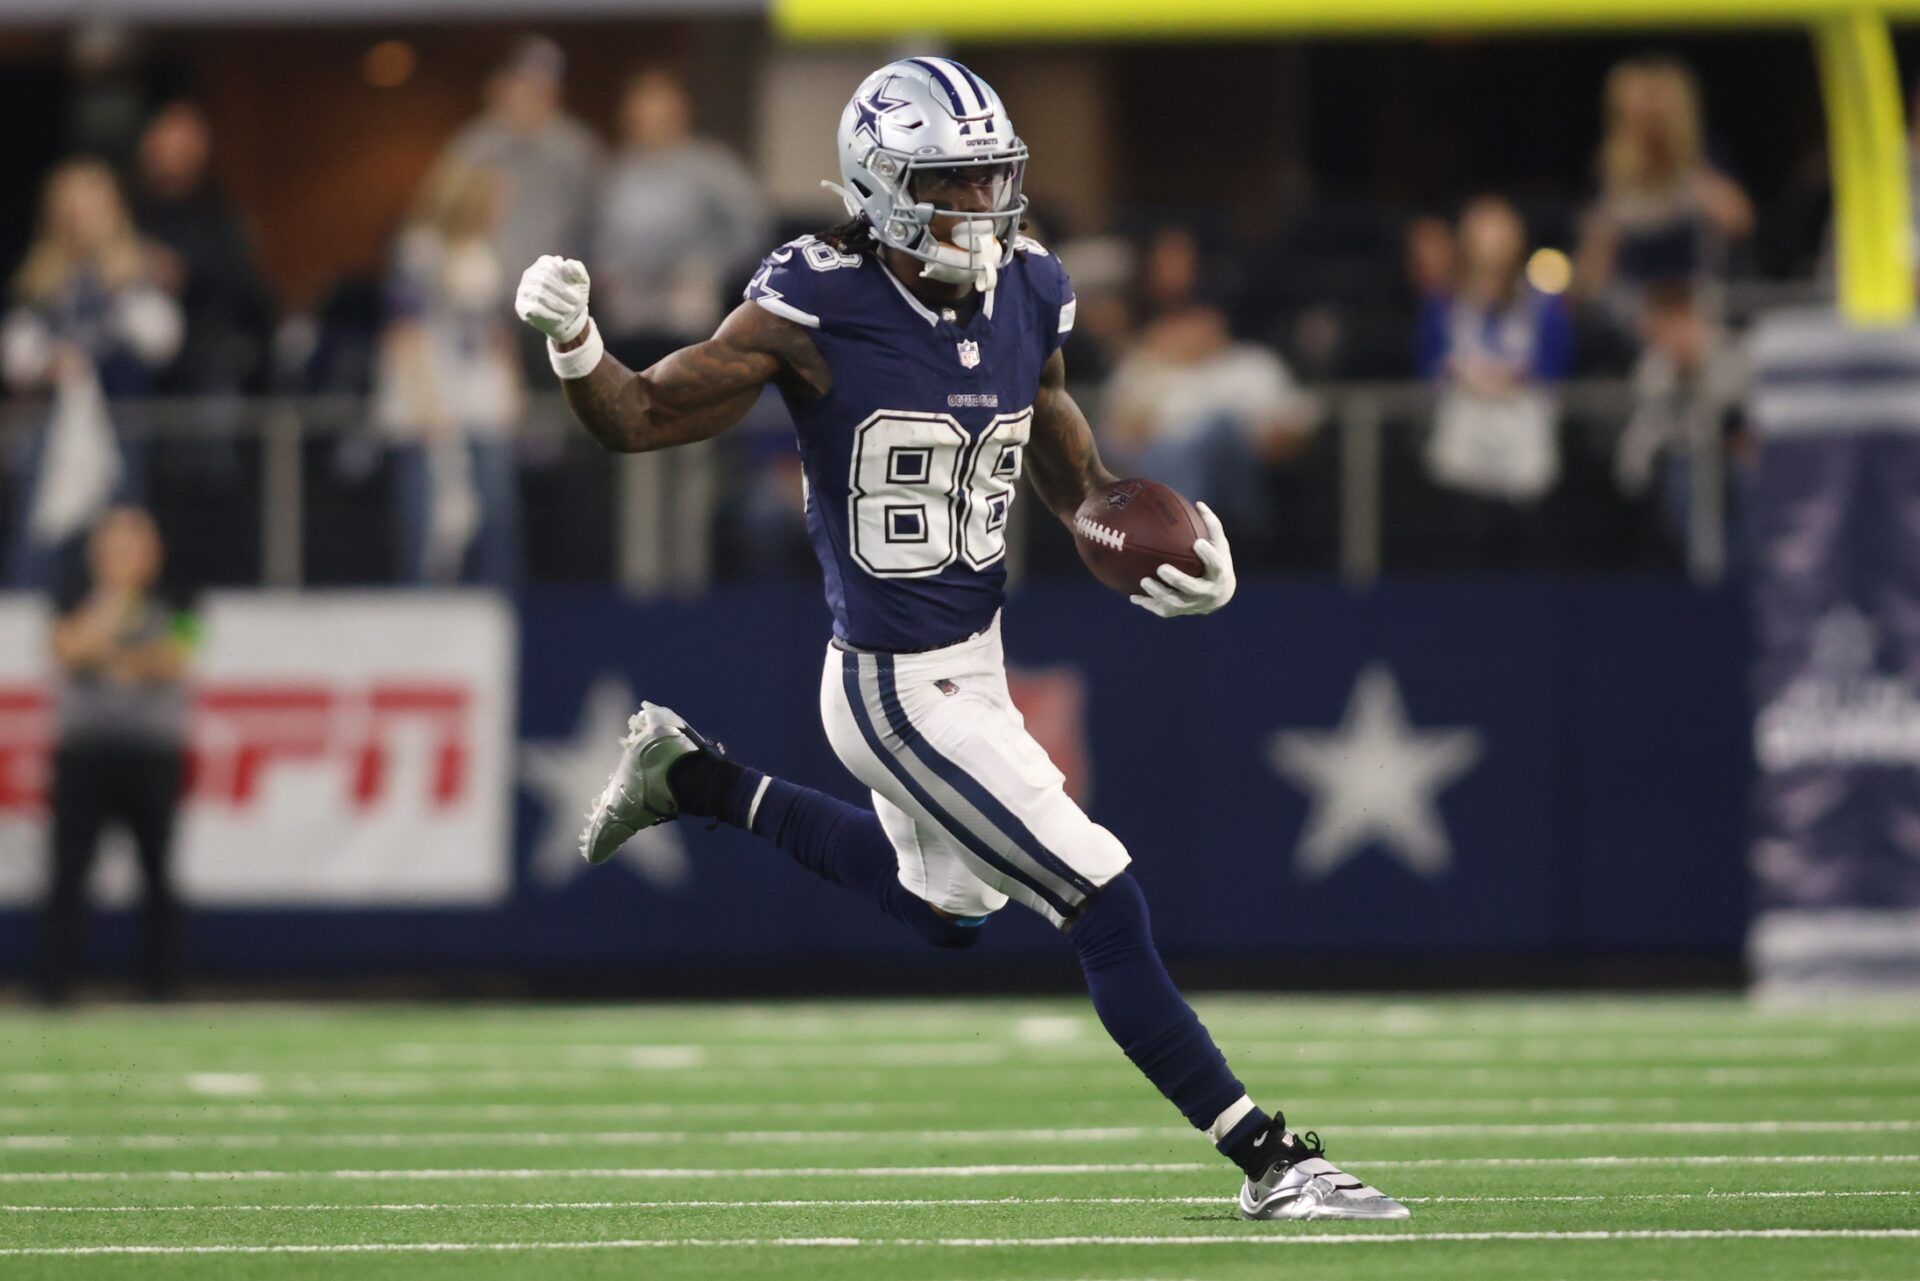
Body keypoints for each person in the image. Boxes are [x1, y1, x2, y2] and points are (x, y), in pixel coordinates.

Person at [515, 57, 1407, 1222]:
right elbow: (638, 417)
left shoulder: (1031, 283)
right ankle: (1272, 1161)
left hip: (971, 664)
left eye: (994, 180)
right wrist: (577, 343)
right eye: (957, 184)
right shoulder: (812, 303)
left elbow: (1053, 436)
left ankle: (695, 779)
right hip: (893, 686)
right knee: (1101, 895)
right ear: (882, 188)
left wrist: (1134, 526)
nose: (986, 208)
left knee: (947, 914)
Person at [35, 506, 194, 1005]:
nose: (123, 557)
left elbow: (176, 659)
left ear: (153, 553)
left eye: (133, 547)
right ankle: (55, 988)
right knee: (67, 874)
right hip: (84, 755)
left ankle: (161, 988)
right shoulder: (72, 594)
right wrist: (112, 607)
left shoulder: (182, 596)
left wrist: (107, 655)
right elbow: (65, 651)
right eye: (113, 548)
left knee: (158, 875)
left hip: (152, 755)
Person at [2, 159, 182, 588]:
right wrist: (50, 361)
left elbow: (162, 340)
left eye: (88, 209)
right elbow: (14, 353)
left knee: (119, 538)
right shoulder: (41, 281)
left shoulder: (135, 274)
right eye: (69, 211)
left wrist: (120, 293)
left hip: (119, 431)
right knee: (42, 535)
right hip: (48, 436)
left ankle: (122, 625)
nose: (78, 222)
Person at [373, 158, 525, 587]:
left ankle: (497, 600)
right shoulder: (420, 251)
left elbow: (499, 330)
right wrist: (424, 401)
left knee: (495, 507)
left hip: (481, 397)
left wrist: (513, 389)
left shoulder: (490, 254)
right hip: (430, 397)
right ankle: (422, 607)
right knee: (426, 515)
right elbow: (404, 330)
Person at [1416, 196, 1573, 557]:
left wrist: (1515, 376)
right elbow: (1427, 366)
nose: (1491, 241)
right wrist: (1463, 374)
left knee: (1524, 523)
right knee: (1465, 528)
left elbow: (1555, 364)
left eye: (1499, 230)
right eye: (1482, 230)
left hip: (1523, 424)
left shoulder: (1542, 301)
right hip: (1462, 428)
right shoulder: (1444, 301)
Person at [590, 69, 771, 372]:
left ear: (678, 113)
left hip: (685, 315)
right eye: (642, 115)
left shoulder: (711, 166)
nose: (651, 124)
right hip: (627, 318)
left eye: (660, 114)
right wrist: (604, 276)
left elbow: (752, 228)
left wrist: (711, 271)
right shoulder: (614, 173)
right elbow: (593, 237)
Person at [1101, 301, 1316, 541]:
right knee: (1168, 452)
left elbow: (1293, 433)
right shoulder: (1145, 367)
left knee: (1218, 427)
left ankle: (1182, 533)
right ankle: (1181, 531)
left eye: (1201, 319)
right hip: (1158, 469)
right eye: (1183, 321)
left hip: (1235, 471)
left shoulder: (1252, 364)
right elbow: (1117, 441)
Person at [1574, 54, 1752, 337]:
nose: (1649, 124)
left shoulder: (1701, 160)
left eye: (1656, 113)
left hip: (1700, 307)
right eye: (1638, 114)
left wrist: (1691, 172)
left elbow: (1739, 221)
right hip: (1636, 319)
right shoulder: (1607, 174)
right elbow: (1590, 279)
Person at [128, 101, 275, 396]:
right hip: (136, 365)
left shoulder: (223, 218)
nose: (173, 152)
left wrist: (185, 272)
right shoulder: (126, 214)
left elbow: (250, 294)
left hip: (206, 365)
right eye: (165, 141)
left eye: (186, 142)